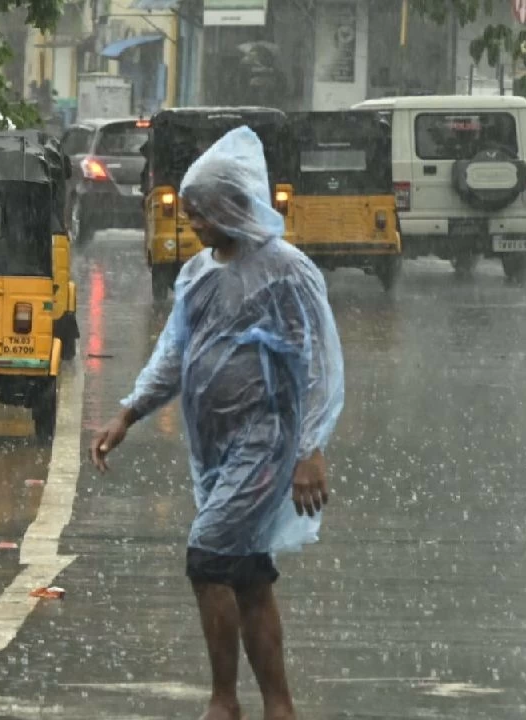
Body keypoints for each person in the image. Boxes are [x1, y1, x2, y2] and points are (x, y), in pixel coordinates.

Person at [91, 126, 345, 720]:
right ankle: (278, 706)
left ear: (231, 205)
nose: (193, 225)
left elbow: (319, 364)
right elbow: (176, 354)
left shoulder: (286, 270)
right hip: (216, 446)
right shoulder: (197, 274)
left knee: (207, 556)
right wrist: (128, 413)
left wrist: (310, 448)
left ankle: (223, 701)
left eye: (199, 213)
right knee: (248, 572)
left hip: (267, 440)